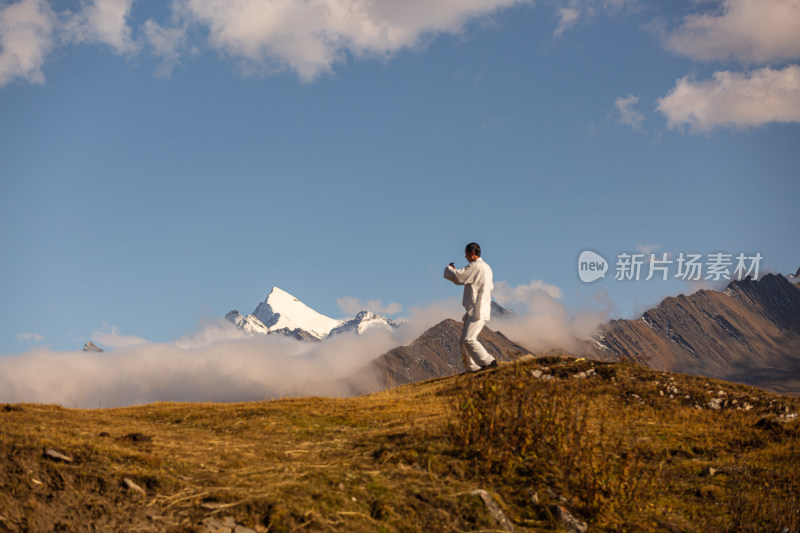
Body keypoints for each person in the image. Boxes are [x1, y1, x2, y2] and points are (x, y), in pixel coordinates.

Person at [444, 242, 498, 373]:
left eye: (466, 253)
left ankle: (488, 362)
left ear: (472, 253)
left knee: (469, 339)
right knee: (464, 341)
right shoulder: (487, 268)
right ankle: (472, 368)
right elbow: (491, 287)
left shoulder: (476, 267)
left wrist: (450, 269)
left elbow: (458, 278)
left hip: (477, 309)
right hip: (480, 307)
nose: (465, 256)